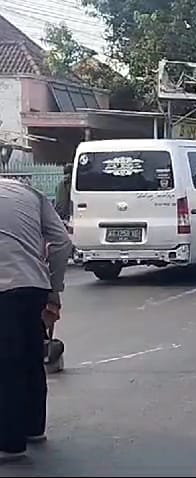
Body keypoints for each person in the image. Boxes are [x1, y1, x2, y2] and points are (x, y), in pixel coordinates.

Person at [0, 178, 71, 463]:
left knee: (6, 364)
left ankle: (10, 443)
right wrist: (53, 288)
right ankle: (33, 428)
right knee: (30, 356)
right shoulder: (28, 191)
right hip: (33, 286)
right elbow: (62, 241)